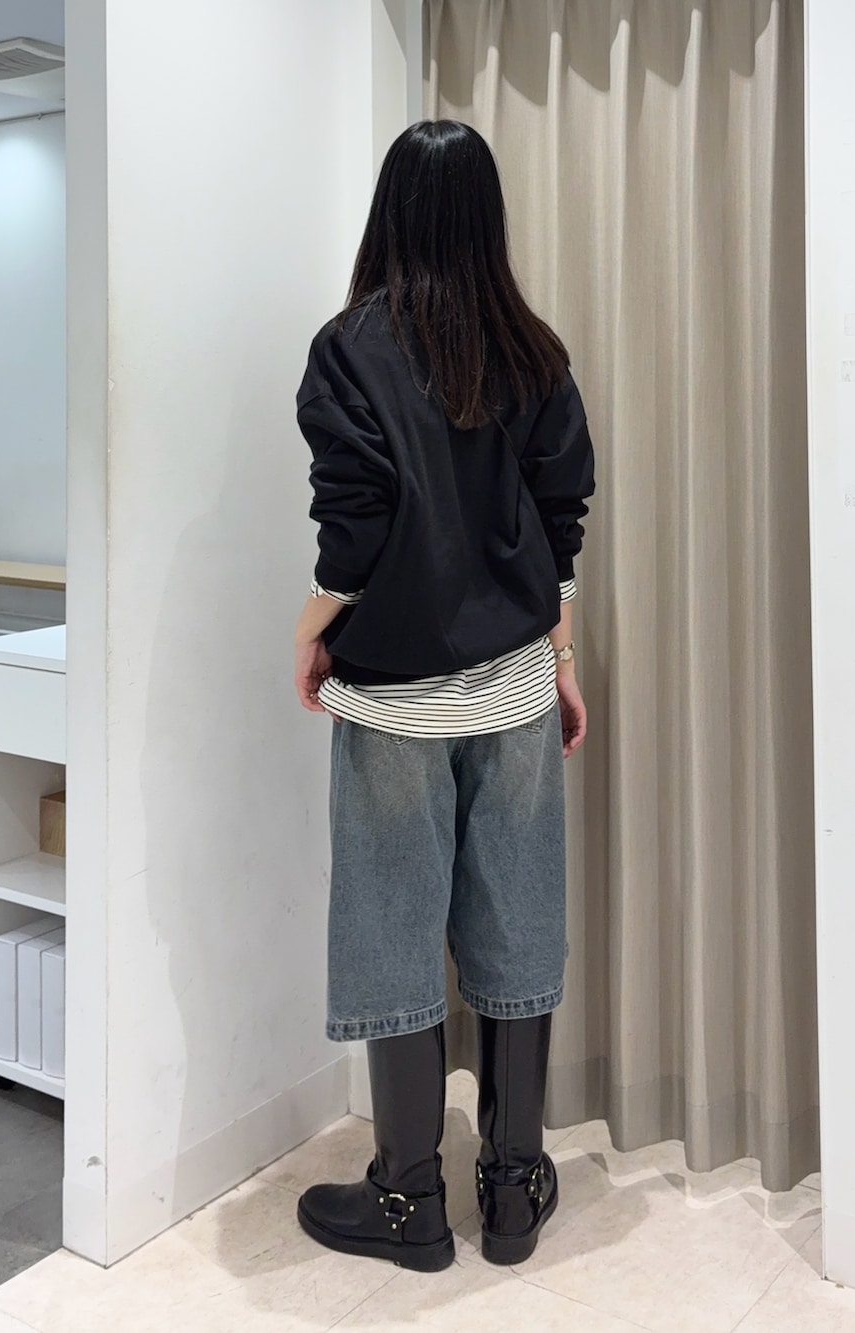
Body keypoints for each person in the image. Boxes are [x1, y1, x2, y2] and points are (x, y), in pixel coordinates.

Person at [292, 119, 595, 1274]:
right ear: (485, 215)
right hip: (512, 689)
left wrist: (311, 629)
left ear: (391, 213)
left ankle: (408, 1200)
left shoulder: (348, 348)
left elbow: (354, 526)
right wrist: (559, 660)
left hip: (395, 703)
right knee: (517, 922)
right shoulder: (533, 349)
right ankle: (512, 1190)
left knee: (391, 931)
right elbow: (559, 520)